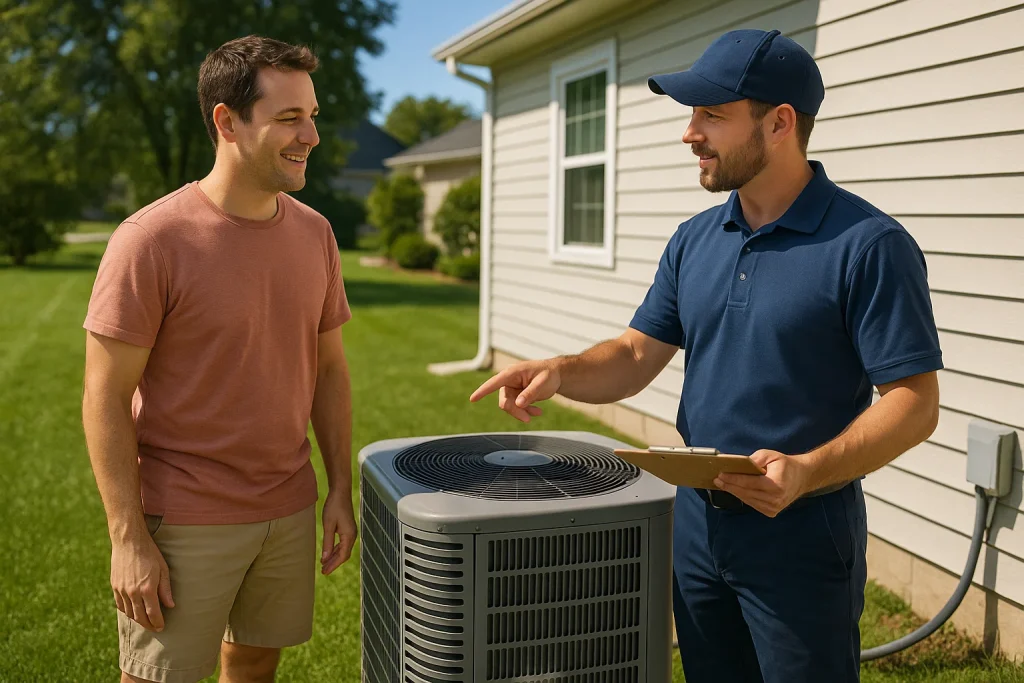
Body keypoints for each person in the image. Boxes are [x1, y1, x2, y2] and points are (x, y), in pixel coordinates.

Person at [470, 28, 942, 683]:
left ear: (779, 123)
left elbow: (915, 403)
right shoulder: (695, 239)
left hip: (801, 533)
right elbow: (637, 352)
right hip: (694, 524)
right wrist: (563, 370)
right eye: (693, 114)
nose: (690, 133)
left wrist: (806, 469)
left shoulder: (868, 245)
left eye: (712, 115)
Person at [81, 35, 356, 683]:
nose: (310, 134)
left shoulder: (315, 233)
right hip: (185, 514)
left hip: (287, 504)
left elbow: (332, 370)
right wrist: (128, 536)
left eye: (312, 114)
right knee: (157, 678)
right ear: (227, 121)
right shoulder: (150, 241)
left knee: (256, 660)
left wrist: (339, 487)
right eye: (289, 117)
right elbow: (104, 394)